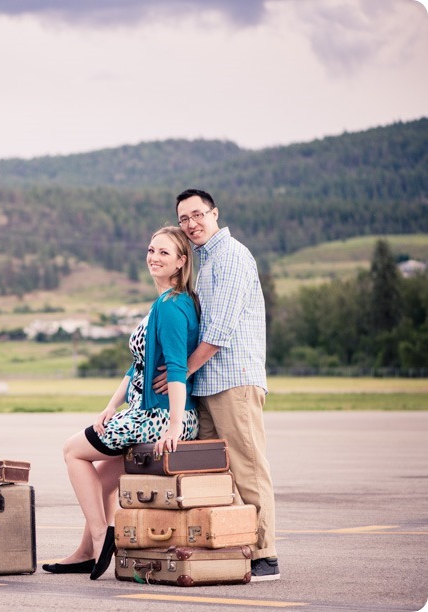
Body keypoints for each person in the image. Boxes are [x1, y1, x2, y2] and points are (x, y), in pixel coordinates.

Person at [43, 226, 200, 580]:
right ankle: (85, 553)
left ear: (181, 261)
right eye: (150, 250)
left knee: (72, 451)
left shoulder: (173, 306)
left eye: (164, 252)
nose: (153, 257)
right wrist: (111, 405)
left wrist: (175, 424)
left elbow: (176, 368)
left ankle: (102, 535)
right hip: (147, 410)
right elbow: (138, 365)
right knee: (100, 480)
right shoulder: (162, 304)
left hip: (158, 414)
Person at [154, 188, 279, 581]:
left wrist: (182, 372)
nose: (191, 224)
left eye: (198, 215)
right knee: (214, 474)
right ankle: (234, 545)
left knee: (247, 468)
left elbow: (218, 332)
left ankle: (265, 555)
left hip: (233, 381)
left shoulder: (231, 257)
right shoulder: (202, 261)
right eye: (184, 219)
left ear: (215, 213)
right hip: (208, 384)